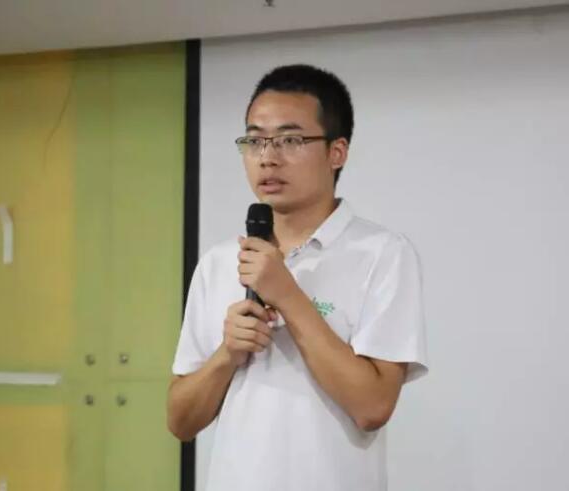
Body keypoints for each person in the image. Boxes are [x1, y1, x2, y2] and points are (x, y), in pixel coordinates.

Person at [167, 64, 428, 491]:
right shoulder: (219, 262)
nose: (267, 157)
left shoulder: (382, 253)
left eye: (290, 140)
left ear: (336, 152)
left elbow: (373, 407)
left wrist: (287, 295)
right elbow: (180, 421)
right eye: (255, 140)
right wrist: (227, 355)